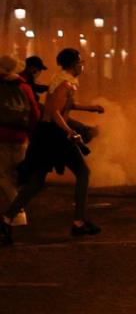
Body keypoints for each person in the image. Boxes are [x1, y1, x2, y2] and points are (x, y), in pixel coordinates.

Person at [0, 48, 102, 243]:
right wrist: (69, 131)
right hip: (54, 136)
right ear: (73, 64)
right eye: (81, 61)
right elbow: (55, 111)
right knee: (83, 172)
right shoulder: (65, 83)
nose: (83, 65)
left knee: (37, 182)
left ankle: (6, 220)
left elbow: (65, 105)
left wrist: (92, 108)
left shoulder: (63, 81)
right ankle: (79, 222)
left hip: (46, 135)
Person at [0, 55, 40, 227]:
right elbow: (35, 113)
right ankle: (18, 211)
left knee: (3, 176)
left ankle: (17, 213)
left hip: (1, 137)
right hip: (21, 137)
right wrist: (30, 133)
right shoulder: (24, 86)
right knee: (18, 176)